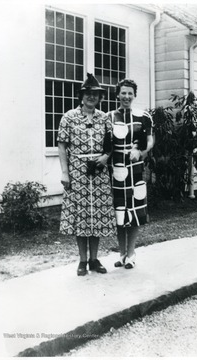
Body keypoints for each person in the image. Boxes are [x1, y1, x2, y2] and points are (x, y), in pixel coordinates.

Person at [57, 73, 116, 276]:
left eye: (95, 94)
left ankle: (94, 259)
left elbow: (111, 145)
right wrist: (65, 172)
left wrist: (105, 158)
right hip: (78, 171)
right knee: (81, 216)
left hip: (99, 171)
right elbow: (62, 146)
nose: (91, 97)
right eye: (88, 94)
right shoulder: (69, 117)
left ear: (100, 97)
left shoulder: (104, 118)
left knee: (97, 215)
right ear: (81, 96)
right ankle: (82, 260)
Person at [107, 79, 154, 269]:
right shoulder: (109, 117)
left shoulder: (143, 116)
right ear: (117, 94)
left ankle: (131, 253)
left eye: (130, 93)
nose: (126, 96)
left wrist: (141, 152)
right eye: (123, 93)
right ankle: (121, 253)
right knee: (120, 211)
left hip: (136, 169)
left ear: (134, 95)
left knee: (134, 210)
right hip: (117, 169)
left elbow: (150, 141)